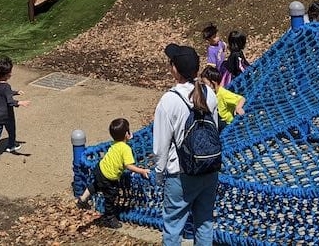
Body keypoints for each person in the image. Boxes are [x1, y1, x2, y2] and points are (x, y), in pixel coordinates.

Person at [154, 43, 220, 246]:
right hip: (209, 168)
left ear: (175, 69)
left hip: (181, 173)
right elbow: (214, 130)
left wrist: (159, 174)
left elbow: (161, 146)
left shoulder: (169, 100)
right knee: (205, 222)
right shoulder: (209, 93)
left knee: (173, 227)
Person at [74, 117, 151, 228]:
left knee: (95, 186)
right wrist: (142, 171)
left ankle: (82, 198)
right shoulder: (125, 149)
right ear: (127, 134)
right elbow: (129, 166)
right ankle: (109, 218)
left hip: (99, 169)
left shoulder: (114, 143)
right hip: (108, 177)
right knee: (110, 197)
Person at [0, 56, 30, 166]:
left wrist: (16, 92)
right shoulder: (7, 86)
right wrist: (20, 102)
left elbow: (5, 93)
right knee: (11, 130)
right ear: (8, 74)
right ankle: (11, 146)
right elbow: (10, 101)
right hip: (6, 115)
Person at [201, 65, 246, 129]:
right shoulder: (210, 94)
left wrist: (238, 108)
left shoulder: (223, 93)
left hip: (227, 124)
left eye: (206, 84)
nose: (204, 86)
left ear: (213, 83)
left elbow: (241, 99)